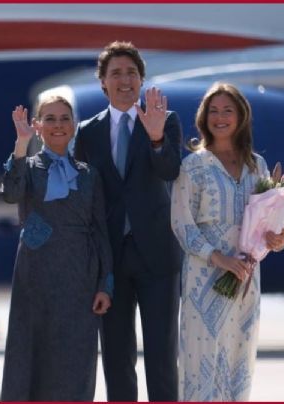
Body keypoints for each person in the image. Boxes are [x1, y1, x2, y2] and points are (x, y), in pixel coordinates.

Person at [72, 41, 183, 401]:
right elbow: (82, 196)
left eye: (132, 73)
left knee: (161, 356)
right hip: (111, 260)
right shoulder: (87, 132)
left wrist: (154, 139)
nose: (125, 80)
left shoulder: (165, 120)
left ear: (142, 79)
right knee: (117, 358)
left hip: (157, 257)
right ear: (102, 82)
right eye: (116, 73)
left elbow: (170, 169)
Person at [171, 82, 284, 401]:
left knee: (240, 360)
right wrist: (218, 258)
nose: (220, 117)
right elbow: (182, 225)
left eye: (228, 110)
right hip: (204, 279)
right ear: (203, 117)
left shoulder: (257, 166)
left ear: (241, 117)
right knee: (202, 364)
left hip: (246, 278)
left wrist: (277, 237)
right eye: (213, 111)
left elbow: (267, 223)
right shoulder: (193, 166)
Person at [0, 96, 112, 400]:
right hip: (35, 274)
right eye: (49, 119)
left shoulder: (89, 174)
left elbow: (102, 232)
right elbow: (11, 194)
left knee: (76, 360)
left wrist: (106, 285)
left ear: (74, 126)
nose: (58, 125)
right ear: (37, 127)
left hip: (80, 275)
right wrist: (21, 145)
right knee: (30, 356)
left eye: (64, 118)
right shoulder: (29, 167)